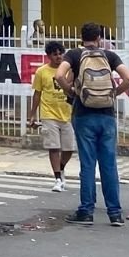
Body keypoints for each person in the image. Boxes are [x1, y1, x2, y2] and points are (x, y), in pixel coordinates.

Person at [54, 22, 129, 226]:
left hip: (84, 114)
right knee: (109, 165)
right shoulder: (109, 56)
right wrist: (113, 94)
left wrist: (71, 91)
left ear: (81, 37)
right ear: (99, 37)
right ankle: (115, 213)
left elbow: (58, 75)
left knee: (88, 164)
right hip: (107, 116)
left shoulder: (74, 55)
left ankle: (86, 210)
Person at [27, 40, 74, 192]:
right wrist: (32, 114)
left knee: (68, 149)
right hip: (48, 113)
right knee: (54, 147)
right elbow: (37, 93)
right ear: (49, 56)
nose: (58, 57)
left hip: (67, 113)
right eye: (55, 54)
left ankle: (60, 168)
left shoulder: (69, 70)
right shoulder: (42, 72)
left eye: (60, 54)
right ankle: (57, 178)